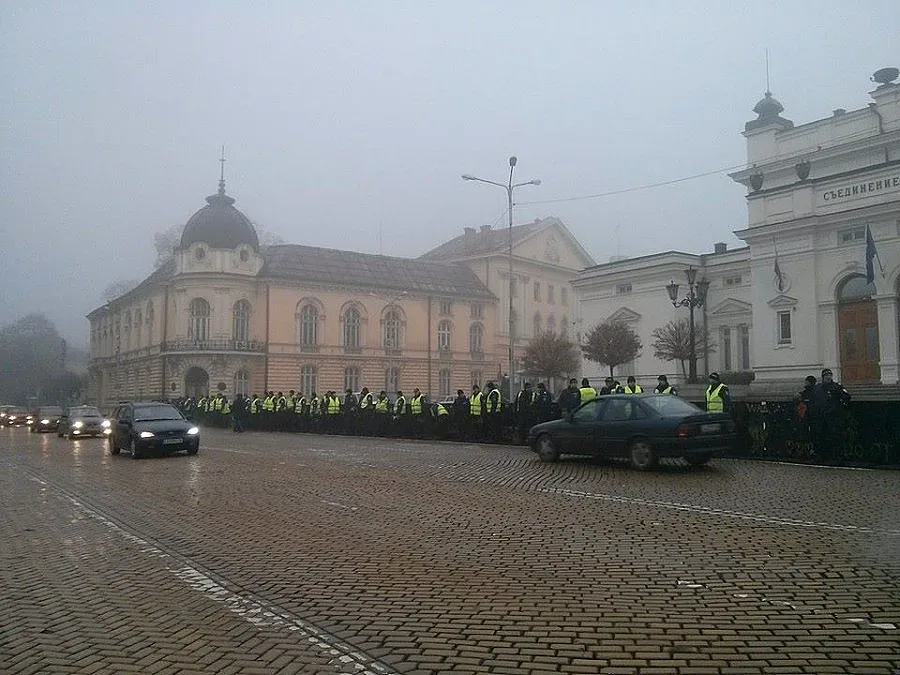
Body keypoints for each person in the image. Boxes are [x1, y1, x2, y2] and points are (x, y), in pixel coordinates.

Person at [808, 368, 851, 461]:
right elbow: (812, 401)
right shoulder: (817, 388)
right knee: (820, 437)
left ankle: (837, 456)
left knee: (835, 437)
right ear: (823, 377)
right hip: (821, 417)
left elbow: (847, 397)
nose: (828, 377)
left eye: (829, 375)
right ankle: (821, 455)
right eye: (826, 375)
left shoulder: (837, 387)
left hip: (833, 417)